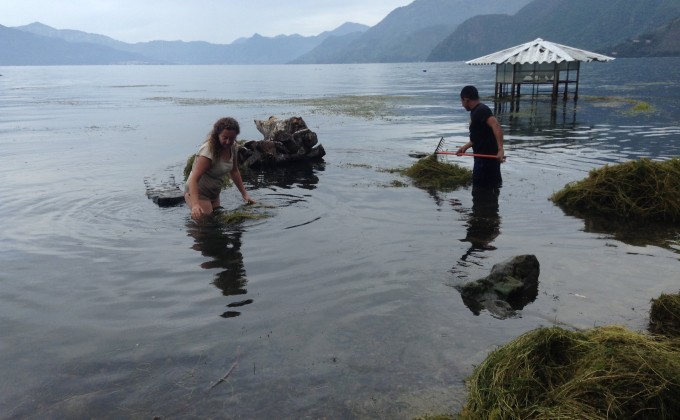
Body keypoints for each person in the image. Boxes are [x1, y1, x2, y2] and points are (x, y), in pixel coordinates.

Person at [185, 117, 254, 220]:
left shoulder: (233, 147)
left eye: (231, 138)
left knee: (217, 220)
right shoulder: (208, 152)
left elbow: (234, 171)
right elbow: (194, 179)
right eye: (225, 137)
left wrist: (245, 194)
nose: (228, 141)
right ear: (218, 135)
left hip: (214, 194)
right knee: (206, 225)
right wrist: (195, 205)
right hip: (198, 193)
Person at [456, 85, 505, 188]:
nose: (462, 104)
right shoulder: (476, 112)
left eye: (462, 101)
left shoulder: (481, 110)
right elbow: (479, 137)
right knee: (484, 196)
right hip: (481, 160)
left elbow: (496, 125)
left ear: (466, 99)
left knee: (482, 193)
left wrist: (501, 149)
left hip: (487, 163)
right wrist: (465, 147)